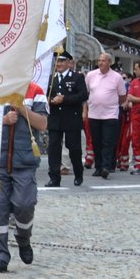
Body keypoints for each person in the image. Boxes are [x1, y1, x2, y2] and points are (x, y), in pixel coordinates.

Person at [0, 81, 49, 272]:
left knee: (24, 205)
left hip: (24, 162)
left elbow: (42, 124)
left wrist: (23, 110)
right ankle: (0, 256)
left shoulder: (35, 91)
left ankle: (23, 237)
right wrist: (3, 120)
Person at [45, 51, 89, 187]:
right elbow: (46, 96)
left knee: (74, 148)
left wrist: (65, 99)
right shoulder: (51, 79)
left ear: (69, 63)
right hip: (55, 119)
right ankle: (54, 178)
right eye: (57, 61)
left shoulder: (77, 78)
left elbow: (83, 96)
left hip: (71, 118)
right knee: (53, 149)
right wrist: (50, 101)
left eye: (62, 61)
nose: (59, 64)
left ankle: (78, 173)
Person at [84, 53, 127, 179]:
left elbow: (122, 96)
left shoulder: (117, 77)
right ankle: (98, 167)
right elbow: (86, 93)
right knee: (96, 142)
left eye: (103, 61)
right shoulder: (91, 75)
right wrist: (85, 110)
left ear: (110, 62)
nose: (100, 63)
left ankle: (106, 167)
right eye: (99, 60)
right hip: (94, 114)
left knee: (108, 141)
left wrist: (113, 105)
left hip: (110, 114)